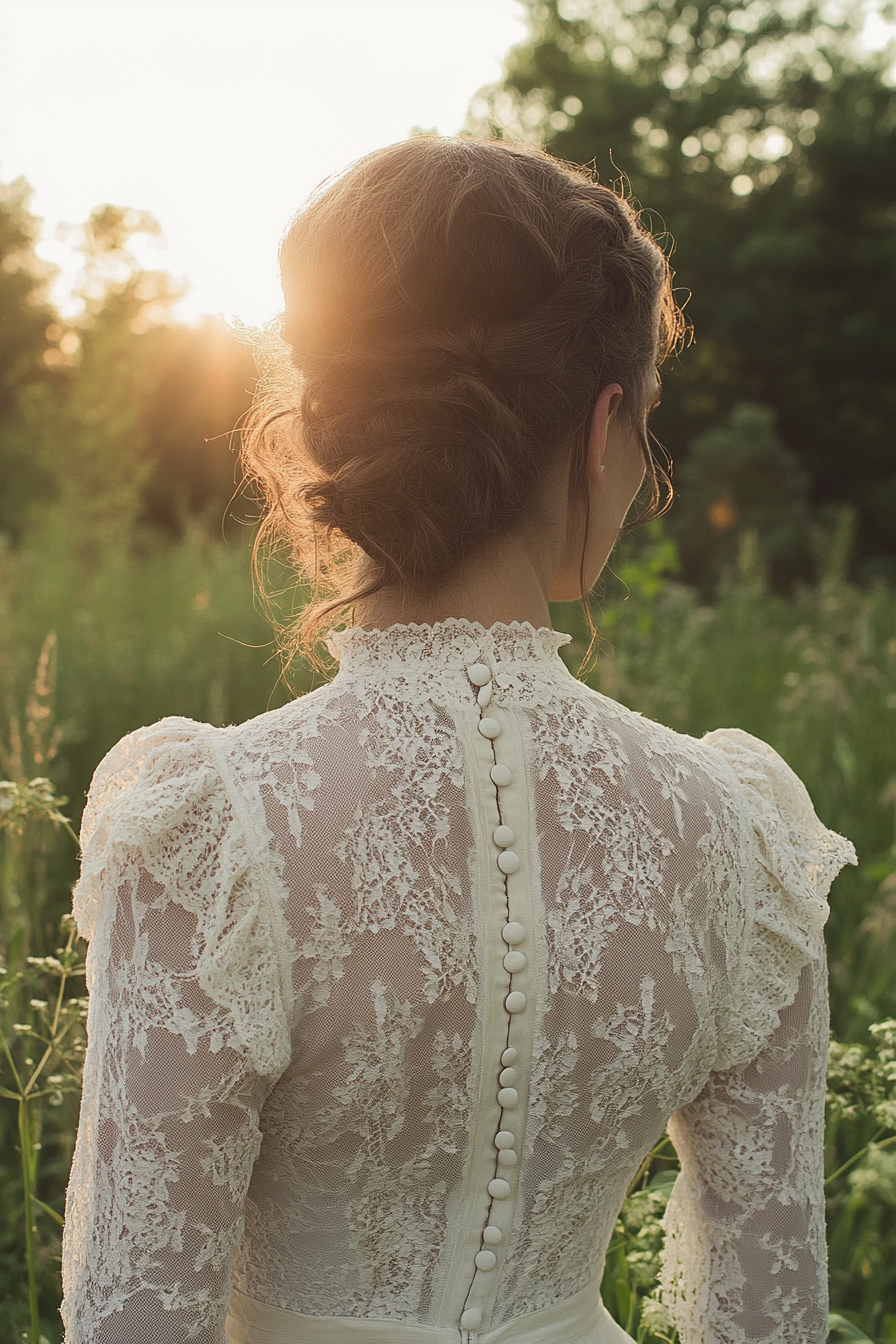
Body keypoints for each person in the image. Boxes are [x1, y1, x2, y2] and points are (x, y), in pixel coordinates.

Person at [60, 136, 855, 1344]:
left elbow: (132, 1316)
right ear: (600, 430)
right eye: (645, 426)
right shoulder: (743, 836)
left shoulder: (209, 827)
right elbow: (774, 1316)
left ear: (331, 429)